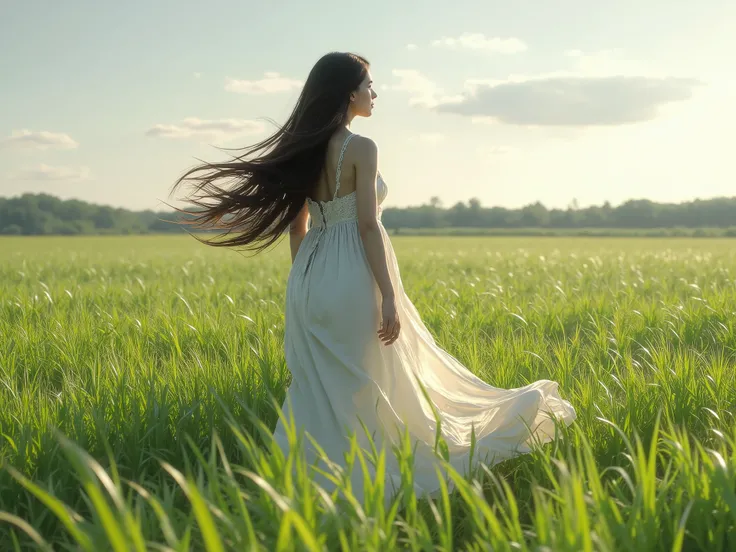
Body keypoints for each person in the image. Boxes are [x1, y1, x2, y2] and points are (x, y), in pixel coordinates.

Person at [171, 52, 576, 505]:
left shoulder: (302, 149)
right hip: (353, 272)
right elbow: (368, 225)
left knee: (320, 388)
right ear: (349, 93)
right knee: (370, 382)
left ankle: (308, 486)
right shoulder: (361, 147)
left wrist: (304, 280)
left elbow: (297, 225)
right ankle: (373, 484)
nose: (374, 94)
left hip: (309, 275)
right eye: (369, 85)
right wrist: (388, 295)